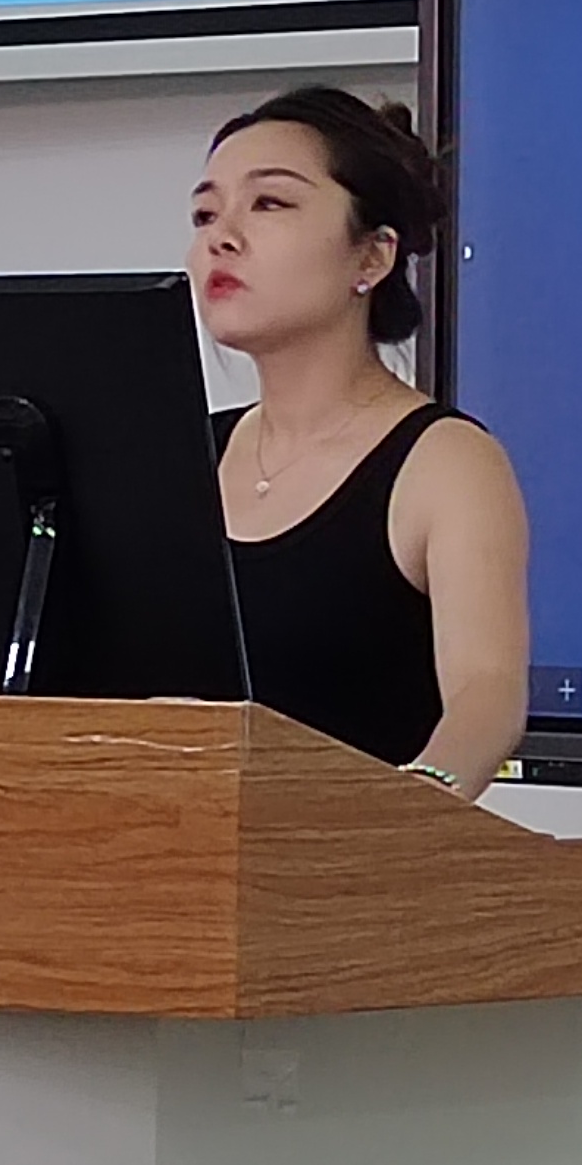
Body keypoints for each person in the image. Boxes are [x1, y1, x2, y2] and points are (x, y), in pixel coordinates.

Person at [190, 88, 532, 797]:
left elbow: (487, 694)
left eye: (269, 203)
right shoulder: (183, 455)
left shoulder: (446, 461)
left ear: (372, 258)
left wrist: (416, 802)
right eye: (205, 214)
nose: (222, 236)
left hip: (361, 857)